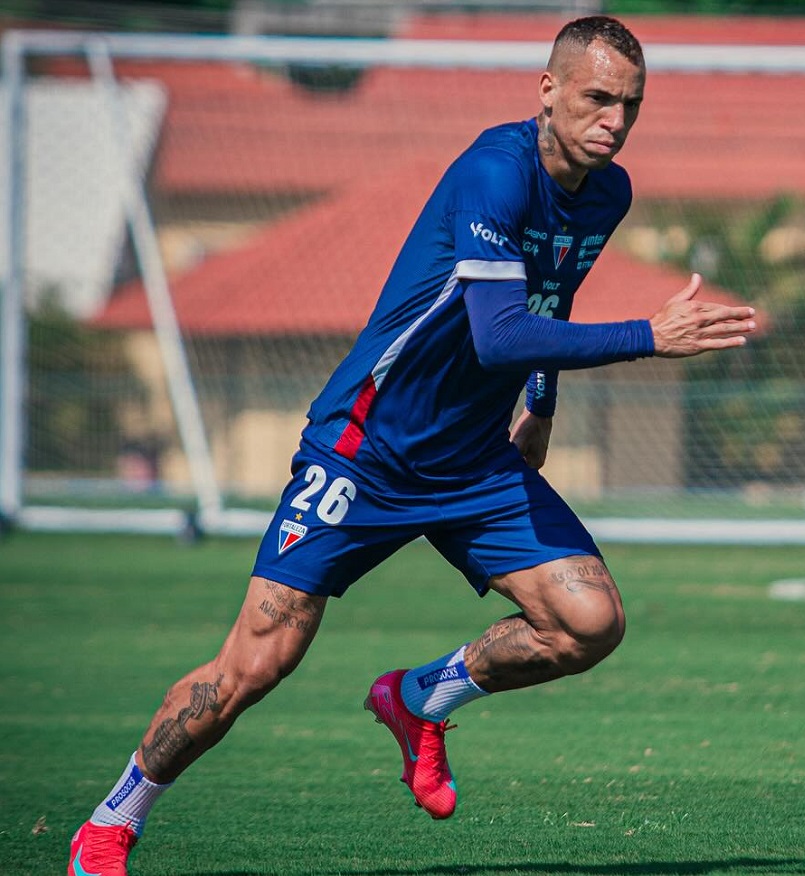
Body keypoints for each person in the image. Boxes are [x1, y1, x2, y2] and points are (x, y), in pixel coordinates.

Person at [67, 16, 757, 875]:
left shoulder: (607, 193)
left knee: (589, 622)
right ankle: (111, 820)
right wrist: (650, 337)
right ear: (547, 91)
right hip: (366, 453)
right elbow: (502, 334)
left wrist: (540, 403)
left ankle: (421, 695)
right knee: (257, 663)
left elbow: (555, 295)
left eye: (630, 105)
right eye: (597, 98)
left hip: (472, 460)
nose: (614, 120)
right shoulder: (493, 172)